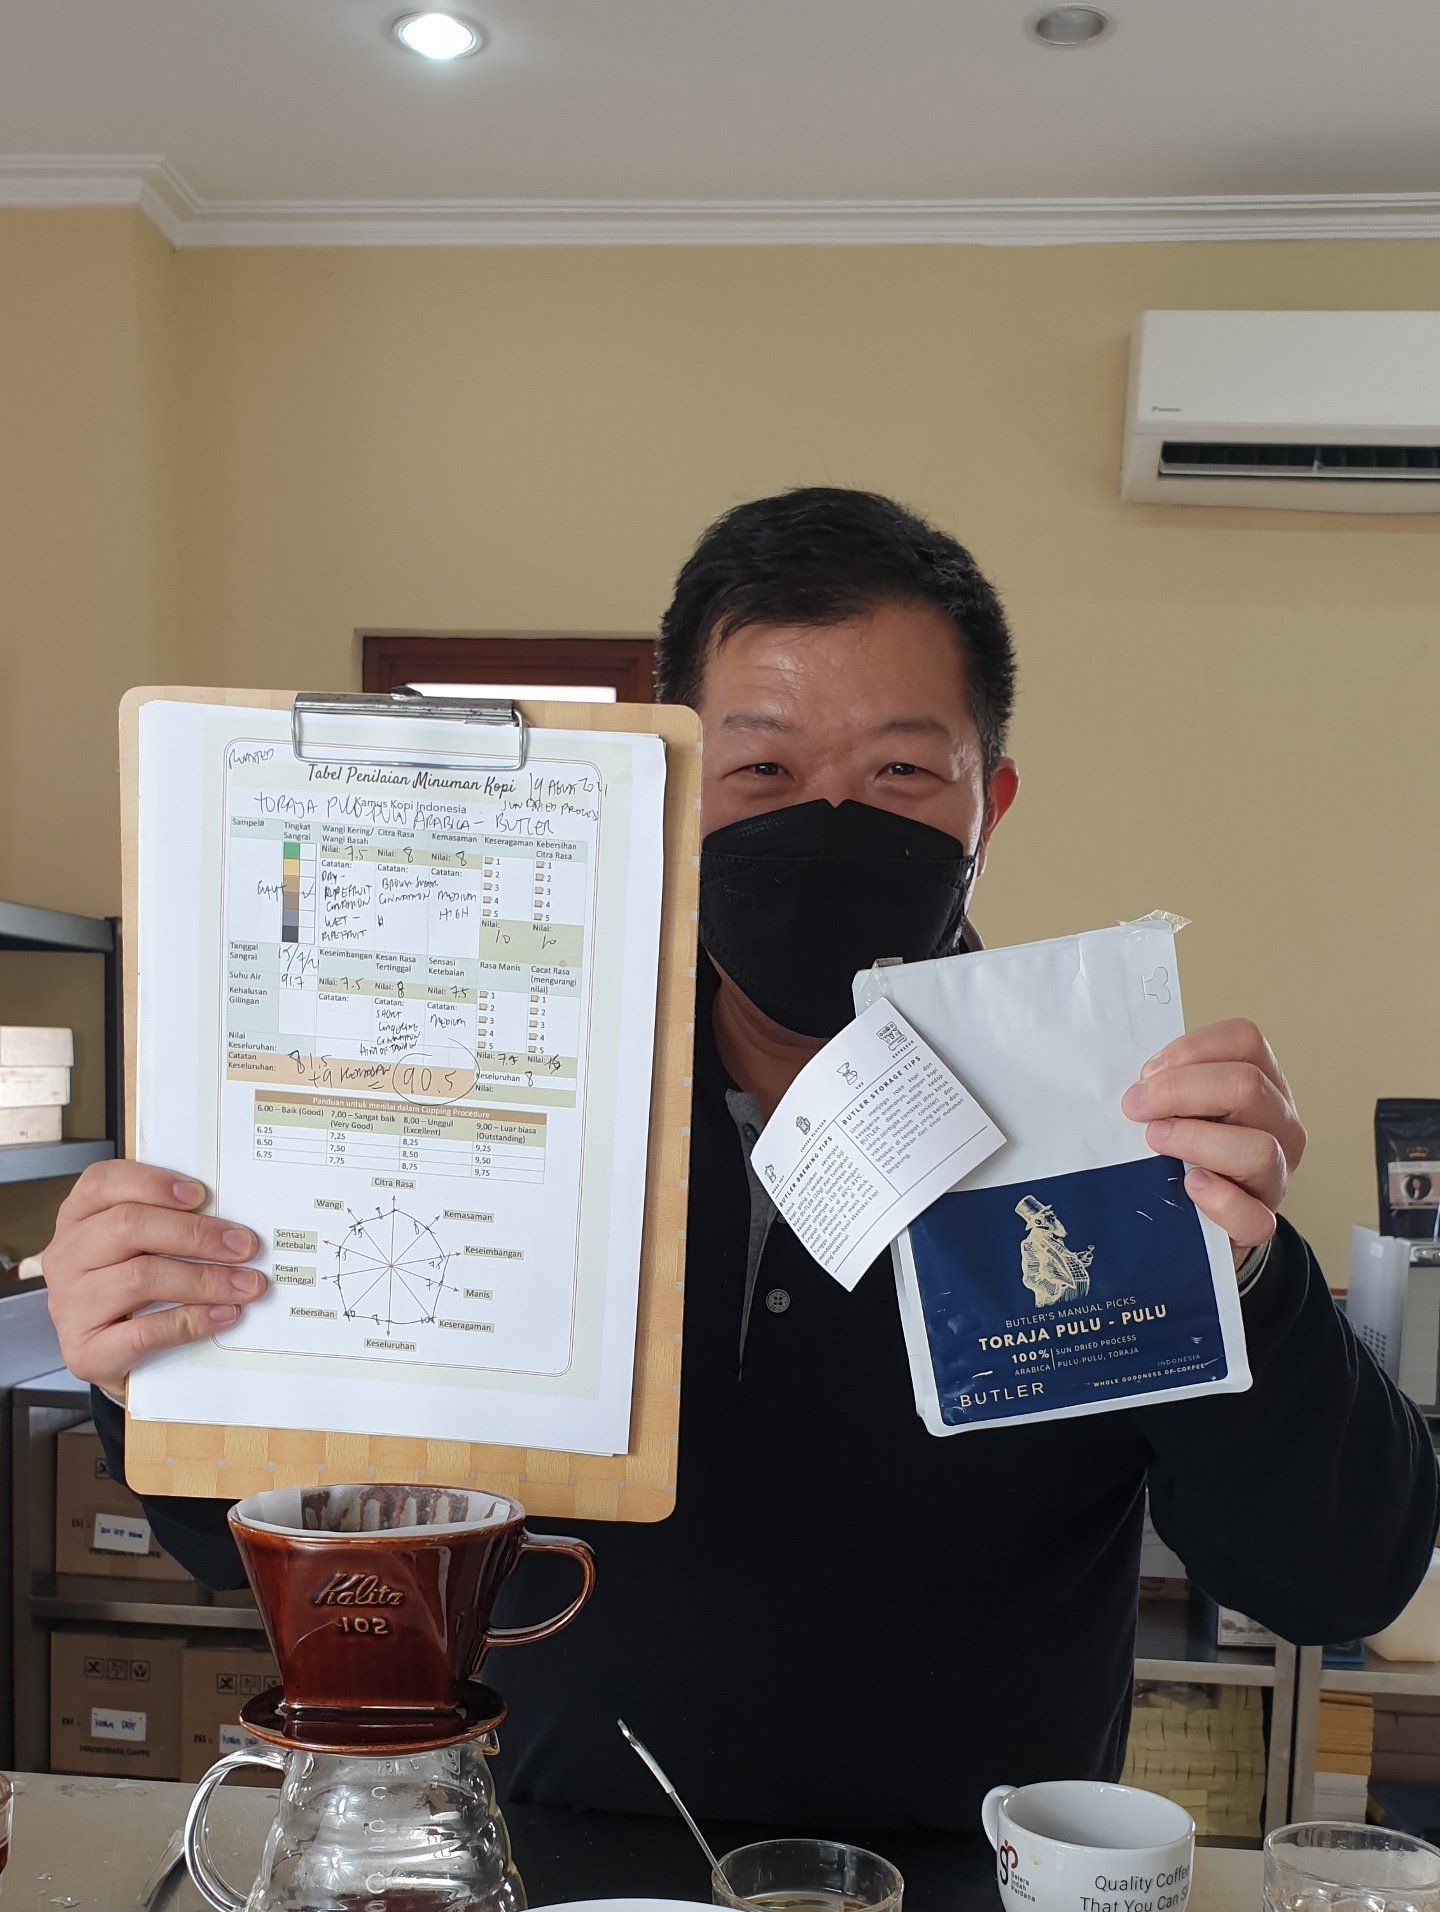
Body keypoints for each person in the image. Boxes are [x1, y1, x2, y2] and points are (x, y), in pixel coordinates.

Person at [43, 489, 1439, 1831]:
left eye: (901, 771)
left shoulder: (1103, 1128)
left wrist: (1248, 1275)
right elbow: (274, 1546)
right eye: (762, 769)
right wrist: (151, 1357)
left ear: (990, 804)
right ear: (672, 787)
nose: (828, 819)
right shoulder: (519, 1112)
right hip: (545, 1903)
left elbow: (1339, 1581)